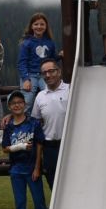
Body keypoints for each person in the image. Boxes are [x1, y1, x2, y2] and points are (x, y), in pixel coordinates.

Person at [2, 90, 47, 209]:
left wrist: (37, 168)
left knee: (39, 200)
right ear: (9, 106)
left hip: (31, 168)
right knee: (20, 202)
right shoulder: (9, 127)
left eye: (20, 102)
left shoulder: (33, 123)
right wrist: (19, 147)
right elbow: (5, 148)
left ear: (25, 104)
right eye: (13, 103)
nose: (17, 105)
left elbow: (40, 145)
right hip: (16, 169)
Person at [31, 59, 70, 190]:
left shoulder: (70, 90)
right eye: (44, 73)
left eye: (51, 71)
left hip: (69, 145)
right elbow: (36, 122)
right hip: (49, 147)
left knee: (70, 180)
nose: (47, 75)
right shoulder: (40, 96)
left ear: (59, 72)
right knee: (52, 181)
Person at [17, 12, 58, 112]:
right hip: (30, 75)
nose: (39, 27)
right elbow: (22, 63)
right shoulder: (27, 43)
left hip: (45, 75)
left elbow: (52, 60)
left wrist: (60, 56)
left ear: (46, 26)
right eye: (36, 24)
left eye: (42, 24)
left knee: (50, 97)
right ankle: (21, 123)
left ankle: (45, 120)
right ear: (31, 26)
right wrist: (26, 79)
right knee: (27, 100)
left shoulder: (50, 42)